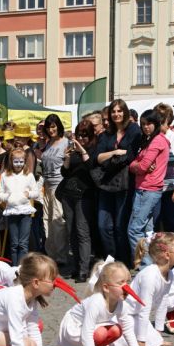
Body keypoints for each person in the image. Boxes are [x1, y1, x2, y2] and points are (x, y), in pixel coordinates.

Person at [57, 260, 153, 346]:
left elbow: (127, 327)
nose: (126, 287)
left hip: (90, 327)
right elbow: (87, 332)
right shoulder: (96, 302)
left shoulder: (120, 302)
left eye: (128, 282)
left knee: (117, 330)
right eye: (121, 283)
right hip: (74, 328)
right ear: (106, 288)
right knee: (101, 333)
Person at [109, 232, 174, 346]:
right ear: (167, 255)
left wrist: (158, 335)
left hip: (137, 315)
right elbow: (144, 310)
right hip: (125, 316)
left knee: (154, 344)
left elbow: (162, 303)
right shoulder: (150, 276)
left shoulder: (170, 274)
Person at [94, 99, 141, 266]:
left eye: (119, 111)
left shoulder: (134, 130)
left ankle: (124, 261)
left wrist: (113, 157)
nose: (116, 114)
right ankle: (111, 259)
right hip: (106, 184)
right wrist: (115, 152)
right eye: (113, 111)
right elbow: (98, 158)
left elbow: (129, 155)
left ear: (125, 112)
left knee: (121, 226)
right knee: (103, 225)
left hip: (125, 183)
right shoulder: (106, 135)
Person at [58, 120, 97, 282]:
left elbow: (91, 168)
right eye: (79, 135)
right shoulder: (73, 151)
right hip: (69, 194)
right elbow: (64, 173)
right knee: (71, 230)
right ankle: (75, 266)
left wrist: (82, 150)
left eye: (85, 135)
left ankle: (84, 269)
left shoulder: (93, 149)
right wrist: (66, 159)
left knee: (82, 231)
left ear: (91, 136)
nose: (82, 138)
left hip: (84, 196)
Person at [128, 111, 170, 260]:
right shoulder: (148, 140)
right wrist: (135, 165)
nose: (146, 127)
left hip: (149, 189)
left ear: (156, 124)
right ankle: (151, 264)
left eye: (149, 124)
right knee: (147, 231)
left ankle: (145, 264)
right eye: (143, 124)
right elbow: (135, 163)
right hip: (144, 188)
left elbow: (142, 166)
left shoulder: (157, 140)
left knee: (134, 231)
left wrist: (136, 166)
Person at [0, 148, 39, 265]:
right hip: (12, 211)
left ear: (24, 161)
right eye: (16, 161)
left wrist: (28, 194)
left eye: (21, 161)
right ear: (11, 161)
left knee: (23, 243)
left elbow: (36, 192)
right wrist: (7, 197)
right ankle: (14, 268)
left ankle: (22, 268)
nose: (18, 164)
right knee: (14, 243)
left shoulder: (29, 175)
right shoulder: (5, 176)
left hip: (25, 211)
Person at [40, 115, 70, 266]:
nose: (51, 130)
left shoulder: (66, 142)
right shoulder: (48, 143)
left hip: (60, 185)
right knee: (47, 221)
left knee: (58, 221)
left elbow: (68, 164)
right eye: (48, 127)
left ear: (58, 126)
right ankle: (51, 255)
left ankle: (61, 256)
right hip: (47, 185)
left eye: (53, 126)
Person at [154, 103, 174, 233]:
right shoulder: (152, 136)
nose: (160, 121)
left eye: (163, 117)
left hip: (169, 187)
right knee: (154, 222)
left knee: (170, 222)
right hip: (154, 186)